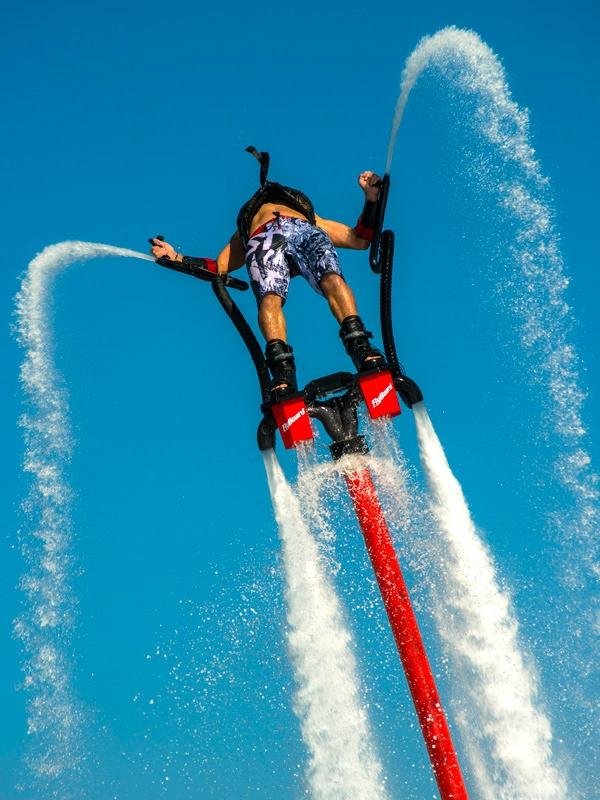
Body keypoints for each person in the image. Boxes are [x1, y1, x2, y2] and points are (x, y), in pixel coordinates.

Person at [150, 147, 386, 398]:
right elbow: (218, 268)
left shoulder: (312, 218)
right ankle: (283, 370)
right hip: (262, 239)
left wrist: (371, 200)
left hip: (302, 231)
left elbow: (359, 239)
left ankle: (360, 346)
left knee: (333, 280)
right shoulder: (244, 231)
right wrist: (176, 258)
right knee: (269, 299)